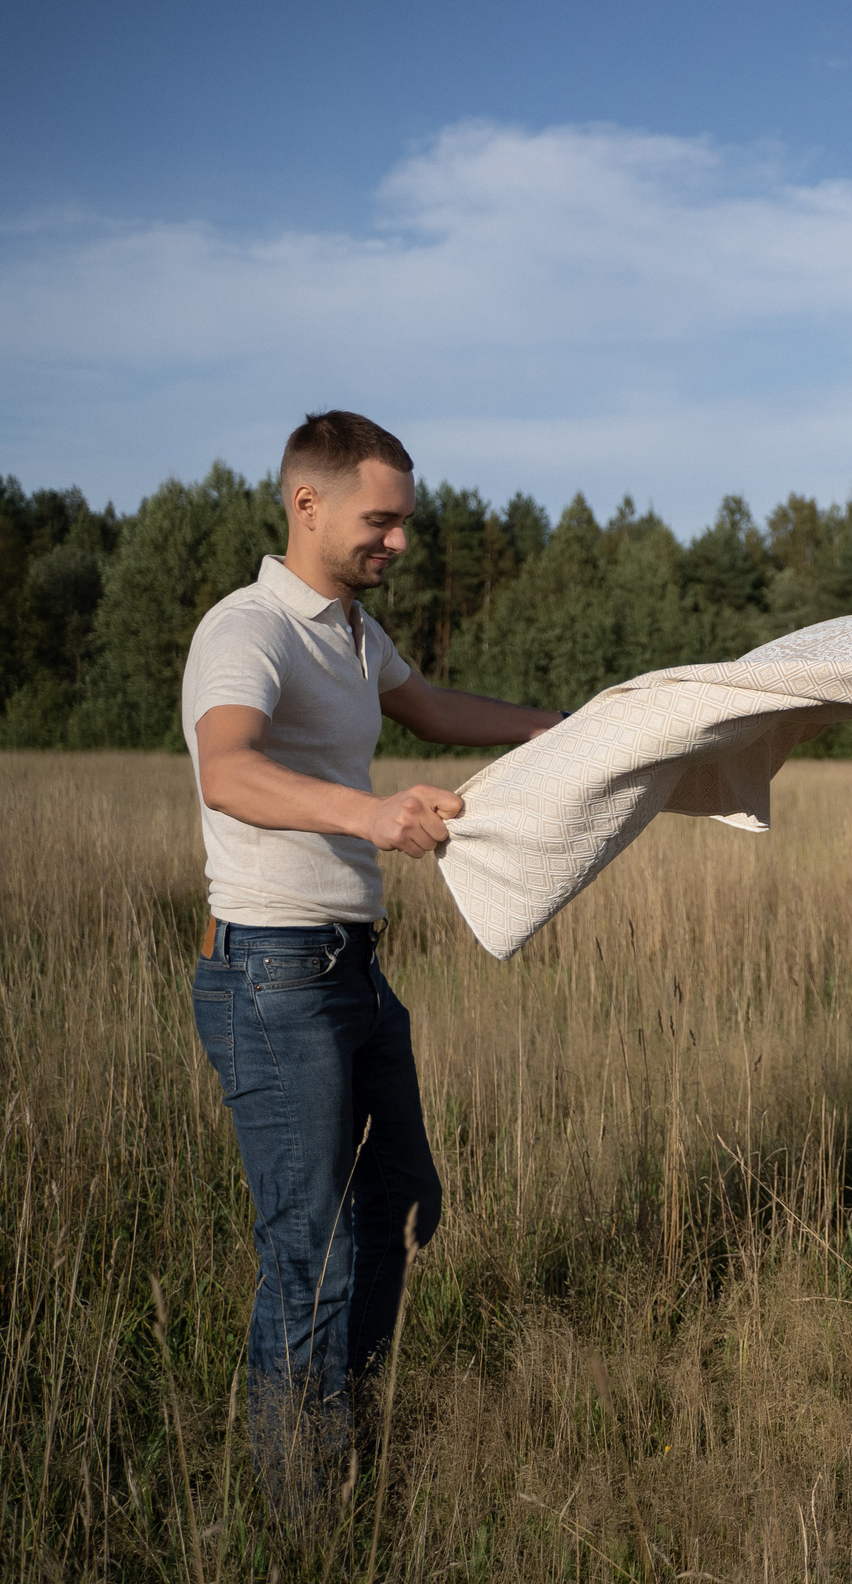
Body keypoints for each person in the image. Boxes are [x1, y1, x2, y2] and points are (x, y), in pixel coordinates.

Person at [184, 411, 566, 1515]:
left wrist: (572, 728)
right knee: (312, 1245)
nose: (399, 542)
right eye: (380, 521)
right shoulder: (248, 628)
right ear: (307, 504)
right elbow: (228, 770)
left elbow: (433, 708)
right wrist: (369, 814)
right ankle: (298, 1503)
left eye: (405, 524)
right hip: (271, 972)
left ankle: (334, 1428)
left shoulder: (349, 629)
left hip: (348, 964)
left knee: (398, 1195)